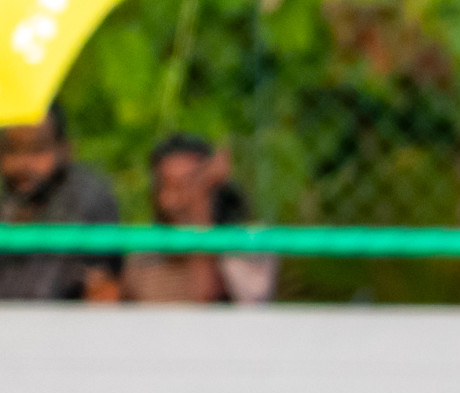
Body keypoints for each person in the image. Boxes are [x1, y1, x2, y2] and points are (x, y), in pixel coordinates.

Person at [120, 134, 279, 304]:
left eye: (190, 185)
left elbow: (205, 305)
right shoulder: (142, 258)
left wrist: (200, 208)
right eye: (168, 186)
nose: (178, 202)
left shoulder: (244, 250)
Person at [0, 102, 122, 301]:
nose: (23, 163)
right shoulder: (8, 200)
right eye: (12, 150)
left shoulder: (87, 200)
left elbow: (102, 289)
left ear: (64, 149)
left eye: (37, 149)